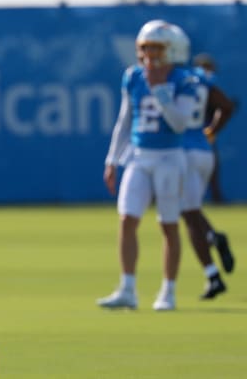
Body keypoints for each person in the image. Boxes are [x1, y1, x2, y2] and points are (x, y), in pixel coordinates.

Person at [98, 20, 196, 311]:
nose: (150, 54)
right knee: (127, 220)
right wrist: (112, 159)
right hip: (139, 156)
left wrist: (162, 94)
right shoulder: (133, 76)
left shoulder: (184, 80)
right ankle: (127, 288)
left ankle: (169, 291)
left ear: (173, 50)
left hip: (169, 157)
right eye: (146, 48)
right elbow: (125, 120)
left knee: (168, 225)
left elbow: (180, 123)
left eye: (157, 48)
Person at [168, 26, 235, 299]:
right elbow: (226, 106)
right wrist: (212, 131)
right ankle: (213, 269)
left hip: (181, 152)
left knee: (188, 217)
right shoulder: (199, 78)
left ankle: (213, 250)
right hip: (203, 151)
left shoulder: (169, 79)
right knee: (190, 212)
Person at [193, 53, 226, 203]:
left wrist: (212, 129)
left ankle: (216, 195)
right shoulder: (191, 83)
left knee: (212, 165)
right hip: (187, 134)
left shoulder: (208, 86)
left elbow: (224, 107)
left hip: (202, 134)